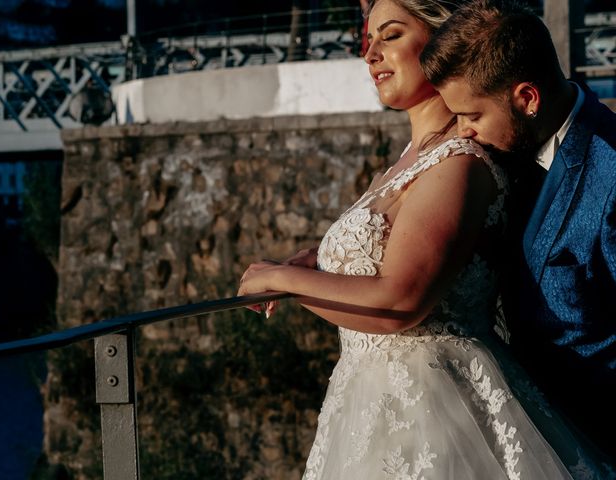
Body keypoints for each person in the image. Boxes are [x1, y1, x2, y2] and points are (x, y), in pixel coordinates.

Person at [239, 0, 605, 477]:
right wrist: (320, 267)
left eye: (389, 36)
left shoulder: (460, 161)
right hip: (367, 407)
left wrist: (282, 279)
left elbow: (400, 299)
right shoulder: (406, 162)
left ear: (439, 39)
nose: (369, 53)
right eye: (367, 39)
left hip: (436, 409)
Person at [419, 0, 616, 461]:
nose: (462, 132)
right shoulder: (506, 150)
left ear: (527, 99)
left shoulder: (612, 174)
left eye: (471, 115)